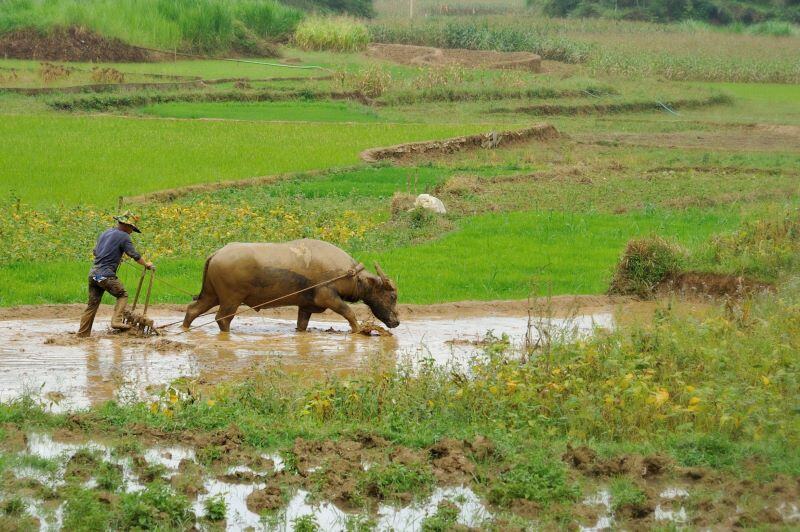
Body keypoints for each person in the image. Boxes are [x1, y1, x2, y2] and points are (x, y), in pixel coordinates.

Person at [77, 211, 154, 337]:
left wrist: (113, 255)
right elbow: (134, 255)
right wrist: (146, 265)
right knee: (122, 294)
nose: (131, 231)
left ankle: (82, 334)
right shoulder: (124, 237)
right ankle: (116, 321)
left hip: (94, 275)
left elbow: (95, 252)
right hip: (105, 275)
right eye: (132, 228)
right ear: (126, 225)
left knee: (92, 305)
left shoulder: (105, 233)